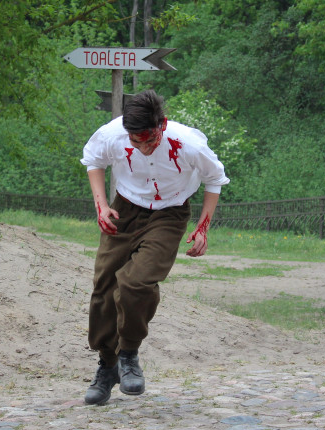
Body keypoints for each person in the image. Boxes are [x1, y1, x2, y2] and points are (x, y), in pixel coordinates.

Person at [80, 90, 229, 405]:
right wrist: (101, 206)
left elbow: (215, 178)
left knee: (136, 282)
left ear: (162, 124)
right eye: (135, 141)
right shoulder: (112, 134)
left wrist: (203, 228)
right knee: (104, 284)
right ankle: (108, 366)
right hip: (125, 209)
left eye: (150, 140)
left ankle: (129, 354)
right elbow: (93, 160)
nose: (143, 147)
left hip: (169, 214)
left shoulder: (188, 143)